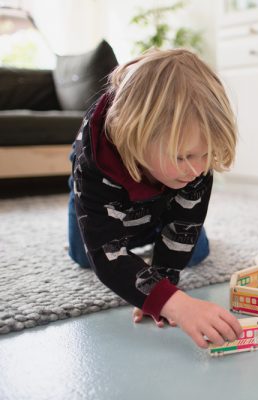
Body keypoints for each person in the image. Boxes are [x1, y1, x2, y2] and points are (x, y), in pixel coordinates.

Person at [67, 48, 242, 348]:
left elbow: (178, 243)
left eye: (206, 155)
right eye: (184, 156)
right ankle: (142, 226)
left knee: (191, 250)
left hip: (162, 196)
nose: (198, 168)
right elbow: (107, 255)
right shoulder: (94, 161)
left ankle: (158, 221)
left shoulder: (194, 163)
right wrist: (176, 304)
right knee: (86, 256)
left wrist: (159, 292)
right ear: (137, 135)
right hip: (105, 194)